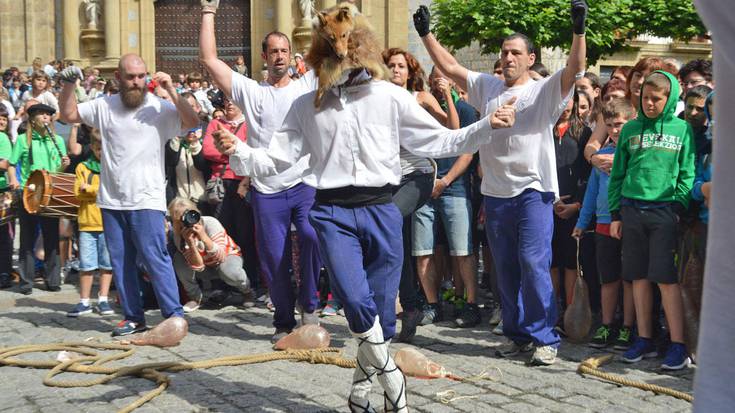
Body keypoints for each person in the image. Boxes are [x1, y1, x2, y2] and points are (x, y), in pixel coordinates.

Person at [212, 4, 517, 410]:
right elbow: (275, 160)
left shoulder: (390, 97)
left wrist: (485, 125)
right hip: (332, 212)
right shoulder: (306, 105)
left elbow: (440, 142)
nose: (343, 55)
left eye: (350, 47)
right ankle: (391, 376)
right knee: (355, 303)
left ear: (362, 49)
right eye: (334, 48)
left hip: (382, 209)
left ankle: (360, 387)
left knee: (383, 318)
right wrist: (240, 153)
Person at [413, 0, 587, 365]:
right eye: (504, 52)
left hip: (533, 192)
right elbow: (449, 66)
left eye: (515, 53)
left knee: (532, 262)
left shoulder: (544, 89)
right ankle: (517, 335)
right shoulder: (488, 87)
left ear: (530, 58)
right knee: (505, 268)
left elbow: (575, 68)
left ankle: (544, 337)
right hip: (495, 194)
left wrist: (578, 30)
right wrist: (426, 33)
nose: (507, 58)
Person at [199, 4, 322, 343]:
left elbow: (333, 53)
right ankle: (283, 320)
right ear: (265, 56)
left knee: (312, 237)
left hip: (304, 182)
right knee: (275, 257)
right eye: (274, 51)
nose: (280, 56)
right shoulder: (251, 91)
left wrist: (321, 18)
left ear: (291, 55)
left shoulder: (306, 84)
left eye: (285, 50)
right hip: (267, 189)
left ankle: (309, 308)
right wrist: (209, 11)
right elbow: (210, 60)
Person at [57, 54, 199, 336]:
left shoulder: (159, 107)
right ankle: (133, 317)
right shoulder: (104, 105)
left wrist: (172, 90)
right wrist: (69, 85)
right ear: (118, 78)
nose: (137, 82)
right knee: (121, 262)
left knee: (155, 258)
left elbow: (192, 121)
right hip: (111, 199)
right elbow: (68, 115)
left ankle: (174, 314)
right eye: (131, 77)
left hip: (147, 199)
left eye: (141, 76)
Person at [608, 71, 695, 370]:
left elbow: (687, 172)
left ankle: (677, 344)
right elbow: (618, 172)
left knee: (666, 280)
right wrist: (616, 213)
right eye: (645, 97)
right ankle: (644, 338)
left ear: (669, 99)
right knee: (638, 278)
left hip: (664, 213)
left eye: (656, 99)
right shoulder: (631, 129)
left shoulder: (682, 129)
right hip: (632, 211)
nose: (649, 104)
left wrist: (678, 206)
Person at [381, 48, 456, 341]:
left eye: (401, 66)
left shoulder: (419, 98)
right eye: (391, 65)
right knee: (392, 244)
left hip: (419, 175)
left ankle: (397, 305)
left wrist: (447, 95)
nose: (396, 70)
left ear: (410, 72)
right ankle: (410, 305)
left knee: (387, 222)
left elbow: (451, 128)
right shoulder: (380, 100)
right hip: (388, 180)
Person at [573, 98, 636, 349]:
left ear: (631, 122)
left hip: (629, 222)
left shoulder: (637, 154)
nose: (614, 130)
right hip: (602, 223)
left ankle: (628, 327)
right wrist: (581, 222)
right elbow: (591, 193)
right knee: (608, 279)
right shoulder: (601, 157)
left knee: (630, 279)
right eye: (609, 125)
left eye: (619, 124)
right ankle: (607, 324)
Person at [8, 103, 70, 294]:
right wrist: (14, 180)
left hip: (50, 193)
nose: (45, 117)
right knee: (27, 237)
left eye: (48, 114)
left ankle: (52, 280)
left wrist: (64, 165)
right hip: (30, 191)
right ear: (33, 118)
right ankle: (26, 282)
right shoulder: (22, 140)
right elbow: (12, 163)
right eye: (41, 114)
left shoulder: (57, 140)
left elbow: (59, 170)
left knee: (51, 237)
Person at [168, 197, 252, 312]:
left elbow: (221, 256)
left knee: (229, 272)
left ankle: (247, 291)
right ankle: (196, 298)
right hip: (204, 266)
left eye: (191, 214)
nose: (189, 220)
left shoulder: (210, 222)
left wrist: (203, 236)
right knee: (178, 260)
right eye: (181, 219)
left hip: (227, 258)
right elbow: (198, 267)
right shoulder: (179, 235)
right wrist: (191, 244)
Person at [67, 130, 114, 317]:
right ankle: (84, 301)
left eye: (104, 148)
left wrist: (92, 189)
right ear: (93, 148)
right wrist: (98, 190)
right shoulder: (83, 167)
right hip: (87, 223)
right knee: (86, 265)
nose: (101, 152)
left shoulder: (113, 167)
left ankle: (103, 299)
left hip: (108, 223)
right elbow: (78, 193)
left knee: (107, 264)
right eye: (98, 148)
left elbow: (111, 190)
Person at [0, 107, 13, 289]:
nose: (2, 121)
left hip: (2, 192)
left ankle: (4, 272)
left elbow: (4, 163)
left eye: (4, 118)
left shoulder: (3, 138)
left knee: (4, 235)